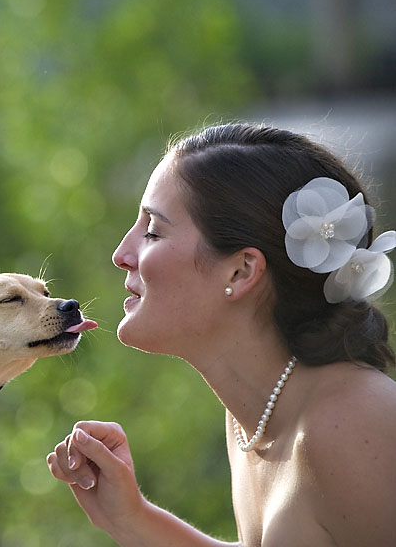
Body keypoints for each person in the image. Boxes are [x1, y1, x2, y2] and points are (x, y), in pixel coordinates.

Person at [47, 124, 396, 546]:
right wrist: (132, 519)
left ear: (241, 270)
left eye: (153, 230)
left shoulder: (355, 421)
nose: (122, 254)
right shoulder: (253, 417)